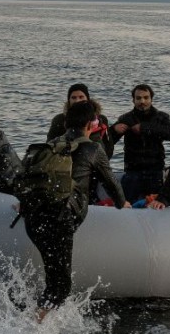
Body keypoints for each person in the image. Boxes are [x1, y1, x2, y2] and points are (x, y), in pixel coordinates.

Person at [19, 100, 129, 322]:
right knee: (60, 287)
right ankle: (30, 330)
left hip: (33, 220)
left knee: (53, 281)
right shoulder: (93, 148)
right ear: (91, 124)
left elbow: (23, 177)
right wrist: (122, 203)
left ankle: (38, 325)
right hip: (59, 221)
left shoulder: (50, 144)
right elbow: (112, 185)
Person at [111, 84, 170, 202]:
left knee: (155, 205)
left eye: (146, 98)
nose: (142, 101)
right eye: (138, 98)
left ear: (151, 99)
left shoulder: (161, 117)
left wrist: (145, 128)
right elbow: (110, 140)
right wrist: (114, 130)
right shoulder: (126, 118)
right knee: (128, 205)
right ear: (133, 100)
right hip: (133, 170)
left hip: (155, 170)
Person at [47, 83, 114, 158]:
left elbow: (109, 146)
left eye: (81, 97)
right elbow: (49, 145)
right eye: (73, 97)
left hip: (97, 160)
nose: (77, 100)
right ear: (69, 101)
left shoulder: (101, 119)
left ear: (87, 99)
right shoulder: (59, 120)